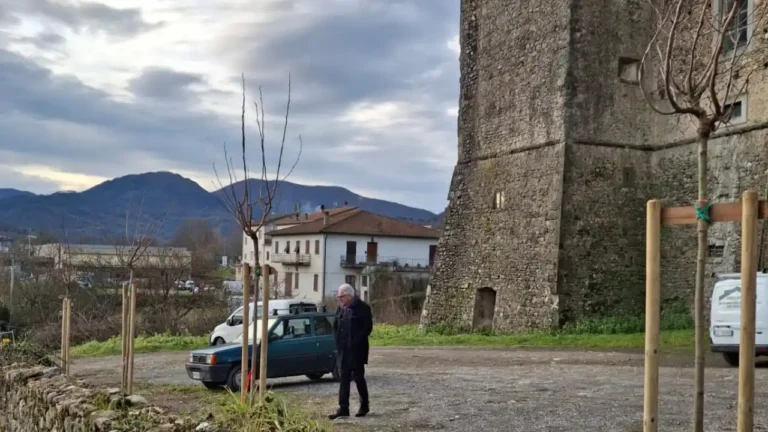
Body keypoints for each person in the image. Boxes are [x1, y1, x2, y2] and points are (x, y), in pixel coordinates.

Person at [329, 283, 373, 419]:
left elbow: (367, 328)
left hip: (357, 350)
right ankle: (343, 408)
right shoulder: (341, 308)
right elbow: (335, 325)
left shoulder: (363, 308)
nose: (340, 299)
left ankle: (364, 406)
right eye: (338, 297)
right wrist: (337, 341)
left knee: (359, 378)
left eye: (341, 297)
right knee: (344, 379)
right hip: (344, 350)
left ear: (349, 295)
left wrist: (356, 342)